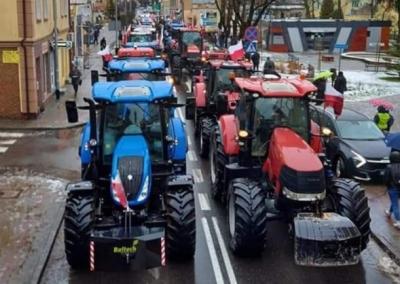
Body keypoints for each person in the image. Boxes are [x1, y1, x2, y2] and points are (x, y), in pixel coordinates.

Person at [384, 151, 400, 229]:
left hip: (392, 188)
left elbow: (386, 179)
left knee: (395, 204)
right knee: (394, 202)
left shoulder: (389, 167)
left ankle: (398, 221)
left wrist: (387, 186)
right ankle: (389, 213)